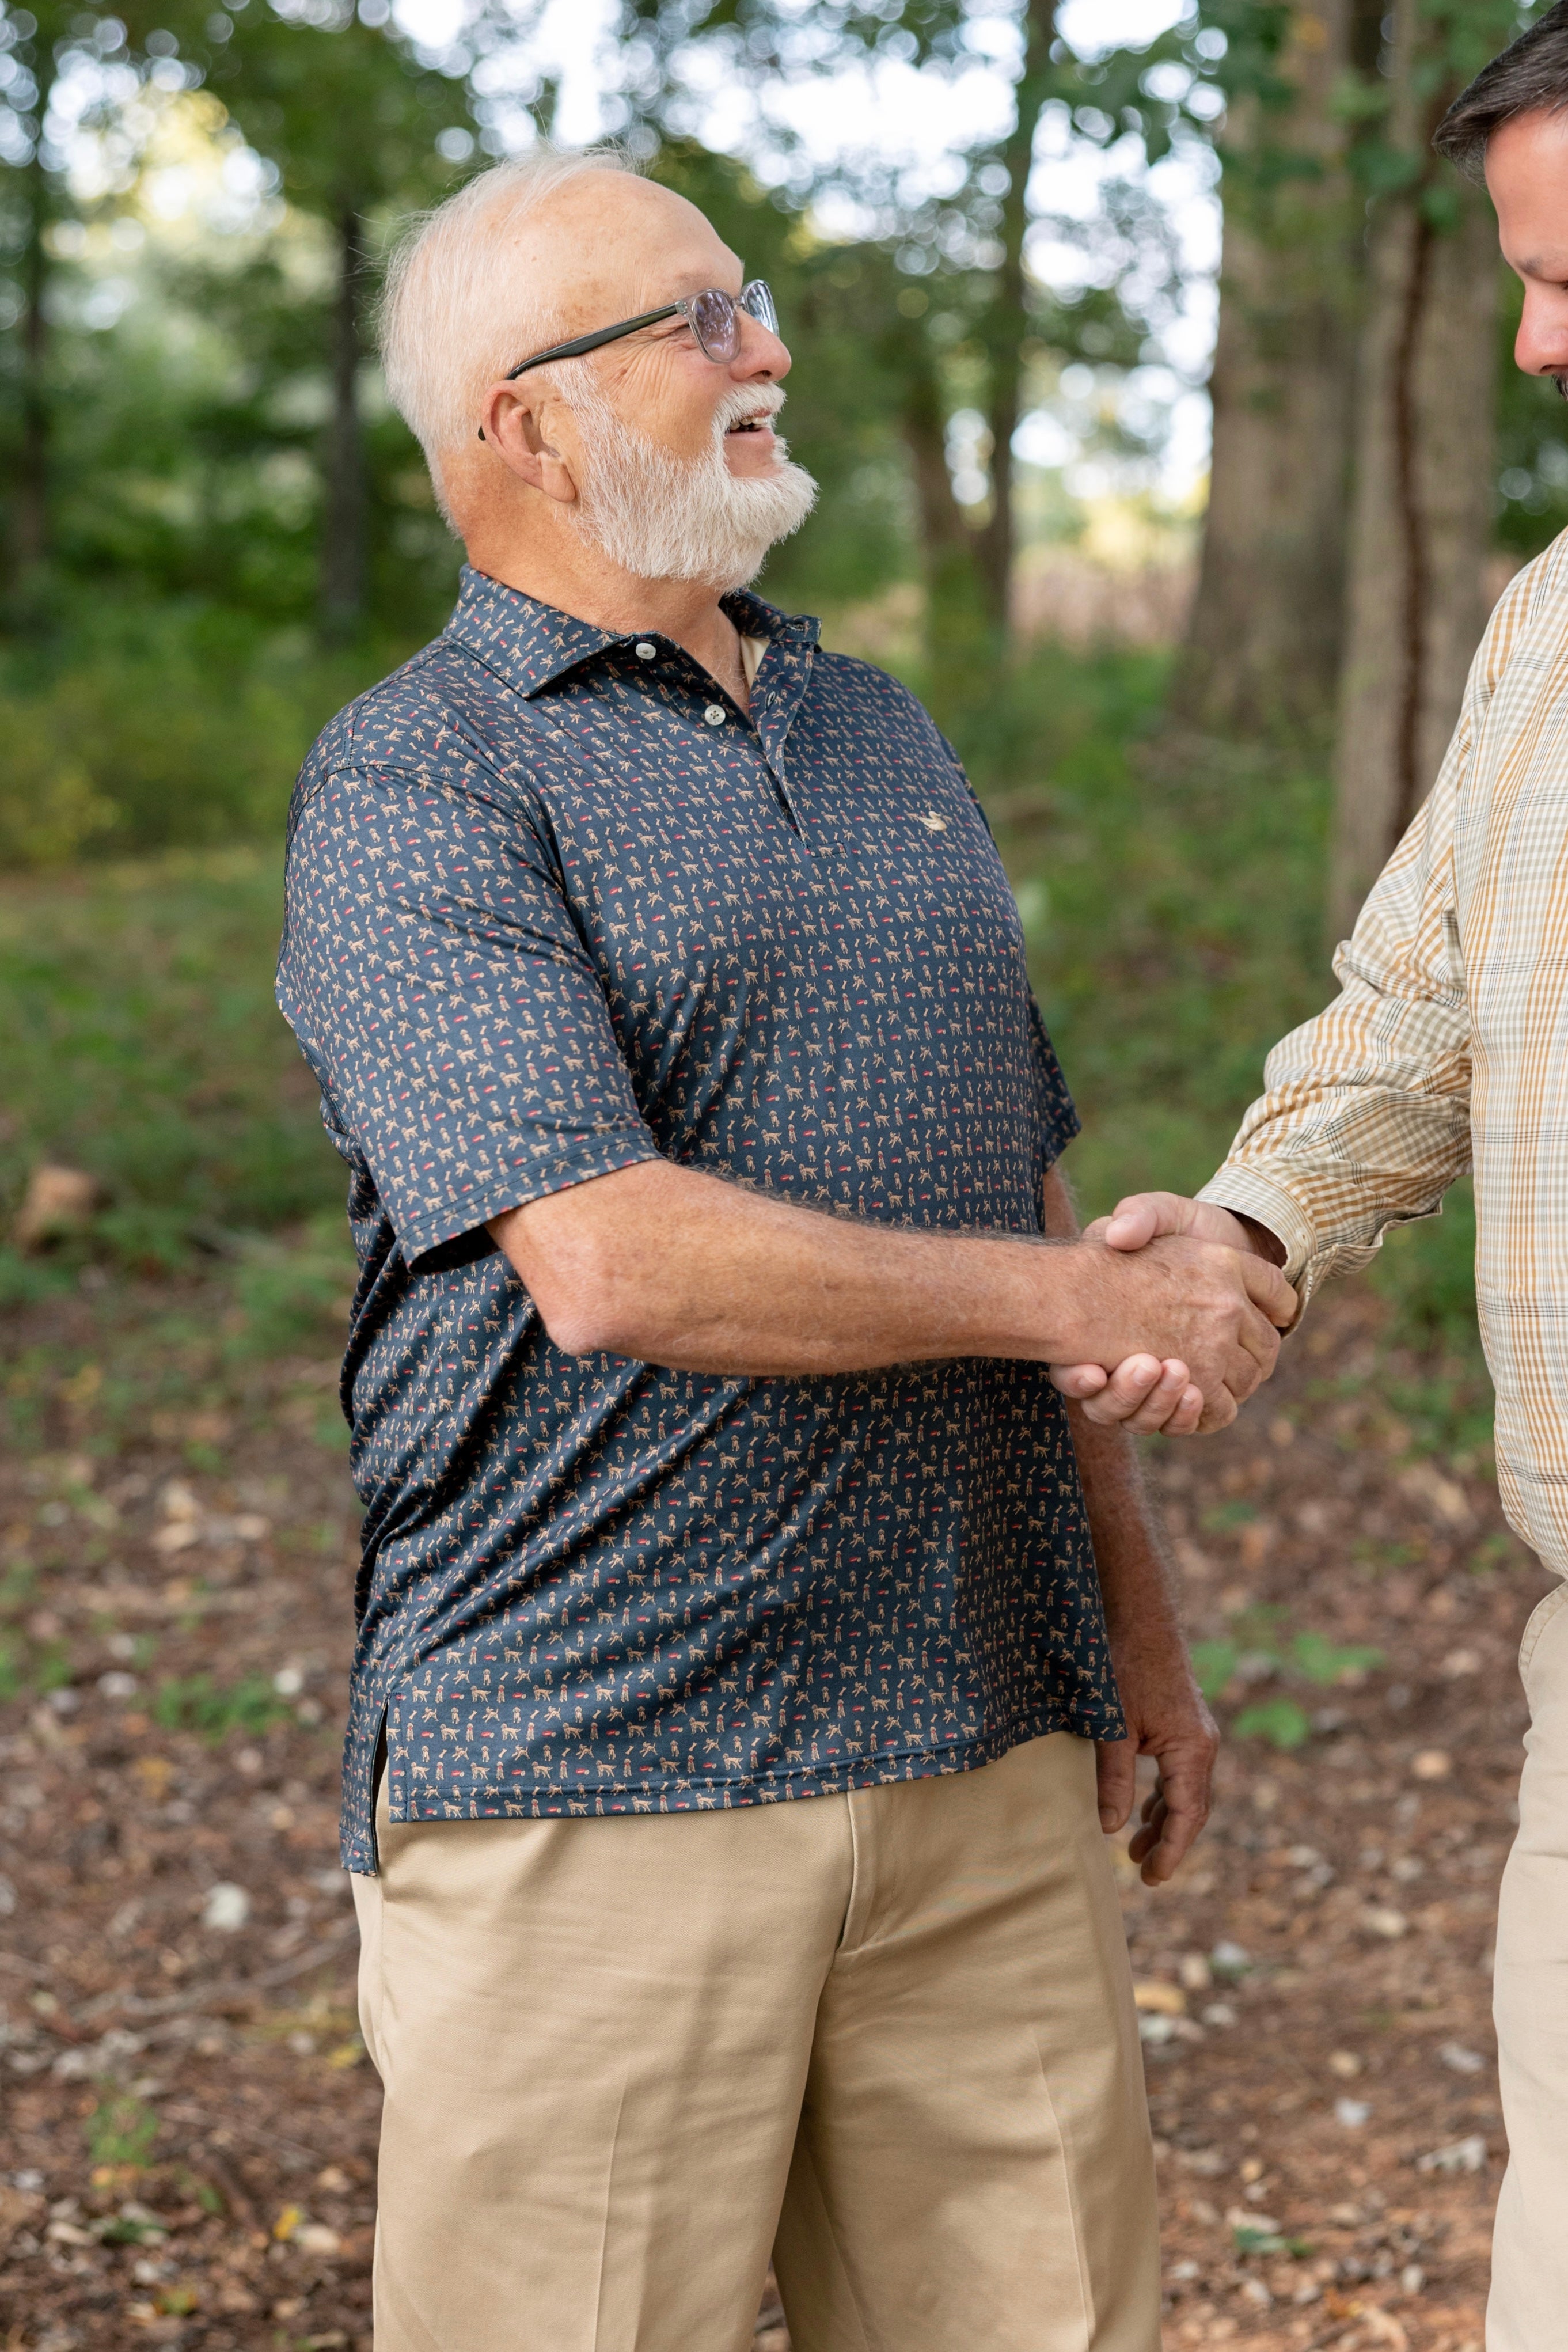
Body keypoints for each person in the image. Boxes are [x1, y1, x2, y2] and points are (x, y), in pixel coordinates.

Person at [274, 147, 1297, 2352]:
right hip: (594, 1780)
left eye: (751, 300)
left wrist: (1131, 1618)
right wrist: (1100, 1302)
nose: (769, 351)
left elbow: (1003, 1170)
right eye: (695, 320)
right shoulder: (417, 785)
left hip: (981, 1758)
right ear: (520, 424)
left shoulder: (877, 729)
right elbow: (614, 1261)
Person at [1049, 13, 1568, 2346]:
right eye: (1527, 282)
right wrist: (1247, 1230)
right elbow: (1420, 1007)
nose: (1544, 342)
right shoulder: (1556, 627)